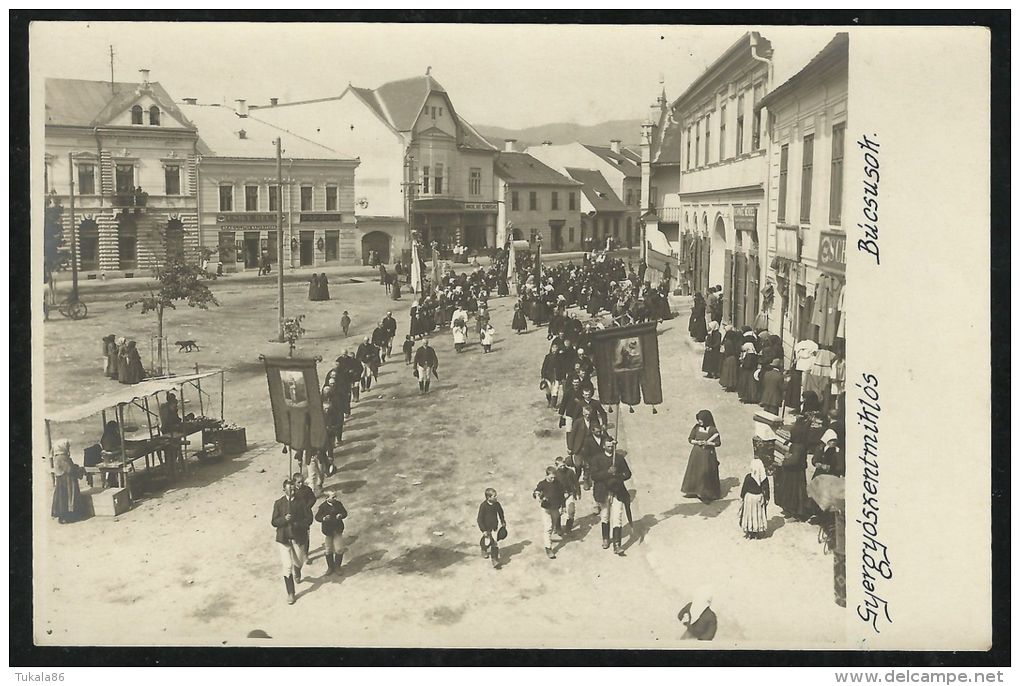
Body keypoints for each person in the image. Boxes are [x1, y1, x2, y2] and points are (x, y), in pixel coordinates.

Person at [774, 391, 826, 520]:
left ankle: (795, 513)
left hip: (793, 473)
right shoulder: (800, 443)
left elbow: (794, 460)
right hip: (795, 472)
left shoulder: (798, 446)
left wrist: (783, 462)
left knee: (793, 493)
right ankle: (791, 510)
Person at [271, 479, 313, 604]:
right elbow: (274, 521)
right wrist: (284, 519)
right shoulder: (279, 503)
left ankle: (298, 570)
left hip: (298, 537)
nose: (292, 491)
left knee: (299, 562)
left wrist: (297, 523)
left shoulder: (301, 503)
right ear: (284, 490)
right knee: (287, 566)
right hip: (283, 539)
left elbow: (309, 519)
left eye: (294, 489)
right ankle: (291, 593)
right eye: (289, 489)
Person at [589, 437, 632, 555]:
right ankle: (605, 538)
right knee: (605, 516)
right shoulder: (597, 459)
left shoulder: (619, 458)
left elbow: (627, 474)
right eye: (608, 446)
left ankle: (617, 544)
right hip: (603, 492)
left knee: (617, 517)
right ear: (603, 446)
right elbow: (594, 476)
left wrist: (618, 475)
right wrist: (607, 472)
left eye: (612, 446)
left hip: (617, 492)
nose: (610, 448)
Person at [681, 410, 722, 502]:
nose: (699, 421)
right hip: (697, 453)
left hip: (708, 455)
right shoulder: (696, 428)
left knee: (705, 472)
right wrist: (697, 442)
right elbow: (690, 439)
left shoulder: (712, 430)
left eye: (701, 420)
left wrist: (708, 443)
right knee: (695, 471)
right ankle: (694, 490)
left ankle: (706, 493)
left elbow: (718, 443)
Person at [533, 466, 568, 559]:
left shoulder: (558, 484)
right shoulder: (542, 484)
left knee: (552, 526)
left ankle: (549, 538)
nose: (553, 479)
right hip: (546, 509)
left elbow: (562, 496)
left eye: (554, 477)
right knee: (548, 528)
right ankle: (548, 548)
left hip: (555, 508)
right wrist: (537, 495)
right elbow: (536, 492)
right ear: (546, 475)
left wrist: (563, 506)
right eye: (551, 477)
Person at [314, 487, 349, 575]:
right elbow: (317, 517)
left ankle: (337, 567)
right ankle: (330, 567)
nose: (335, 499)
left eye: (335, 496)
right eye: (333, 497)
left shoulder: (339, 504)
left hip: (337, 529)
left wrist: (341, 515)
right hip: (328, 530)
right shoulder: (323, 507)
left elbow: (345, 513)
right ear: (327, 498)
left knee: (339, 549)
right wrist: (324, 518)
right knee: (328, 549)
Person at [51, 439, 85, 524]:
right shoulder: (62, 457)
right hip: (67, 481)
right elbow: (69, 469)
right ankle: (67, 517)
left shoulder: (58, 456)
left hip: (61, 480)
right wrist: (79, 469)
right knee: (67, 498)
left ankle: (64, 516)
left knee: (62, 498)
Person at [738, 458, 770, 539]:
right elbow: (766, 489)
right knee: (758, 515)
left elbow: (744, 488)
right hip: (759, 498)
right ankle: (757, 531)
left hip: (749, 498)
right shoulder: (764, 478)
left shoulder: (748, 477)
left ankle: (750, 532)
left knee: (749, 515)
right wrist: (767, 498)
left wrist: (742, 496)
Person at [476, 488, 506, 569]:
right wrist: (483, 530)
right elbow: (479, 519)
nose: (496, 497)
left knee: (494, 543)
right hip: (486, 528)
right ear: (488, 498)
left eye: (496, 496)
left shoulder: (497, 504)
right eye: (494, 496)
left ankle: (494, 559)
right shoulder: (483, 506)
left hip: (494, 526)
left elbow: (500, 513)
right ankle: (483, 548)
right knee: (486, 541)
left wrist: (503, 521)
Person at [554, 456, 580, 535]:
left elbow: (576, 482)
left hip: (570, 494)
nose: (562, 467)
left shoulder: (570, 472)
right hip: (559, 496)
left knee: (571, 511)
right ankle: (557, 527)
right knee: (558, 513)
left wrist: (578, 492)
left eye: (563, 465)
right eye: (560, 466)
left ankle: (568, 528)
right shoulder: (555, 475)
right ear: (556, 466)